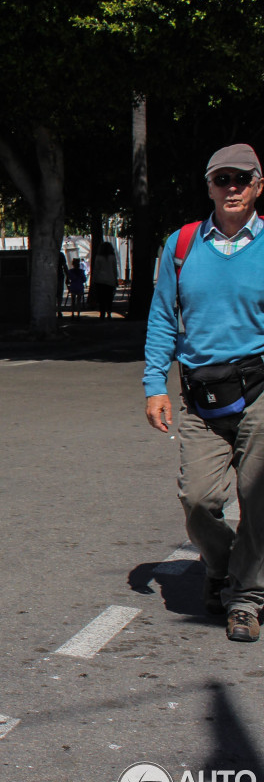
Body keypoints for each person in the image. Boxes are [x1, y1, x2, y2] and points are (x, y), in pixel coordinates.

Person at [144, 142, 264, 643]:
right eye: (222, 179)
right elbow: (162, 320)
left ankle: (246, 599)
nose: (231, 187)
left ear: (259, 184)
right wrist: (155, 385)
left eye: (241, 179)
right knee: (196, 499)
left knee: (258, 499)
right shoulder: (182, 245)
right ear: (210, 187)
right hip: (200, 395)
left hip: (260, 389)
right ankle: (221, 565)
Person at [91, 242, 119, 319]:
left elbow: (96, 269)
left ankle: (102, 313)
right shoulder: (112, 257)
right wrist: (116, 279)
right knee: (109, 297)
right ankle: (109, 312)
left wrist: (93, 279)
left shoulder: (98, 257)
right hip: (110, 280)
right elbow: (114, 269)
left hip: (100, 280)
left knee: (101, 298)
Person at [57, 251, 70, 318]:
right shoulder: (60, 254)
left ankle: (54, 309)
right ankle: (59, 310)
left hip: (50, 276)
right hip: (59, 276)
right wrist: (68, 276)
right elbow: (64, 266)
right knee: (59, 294)